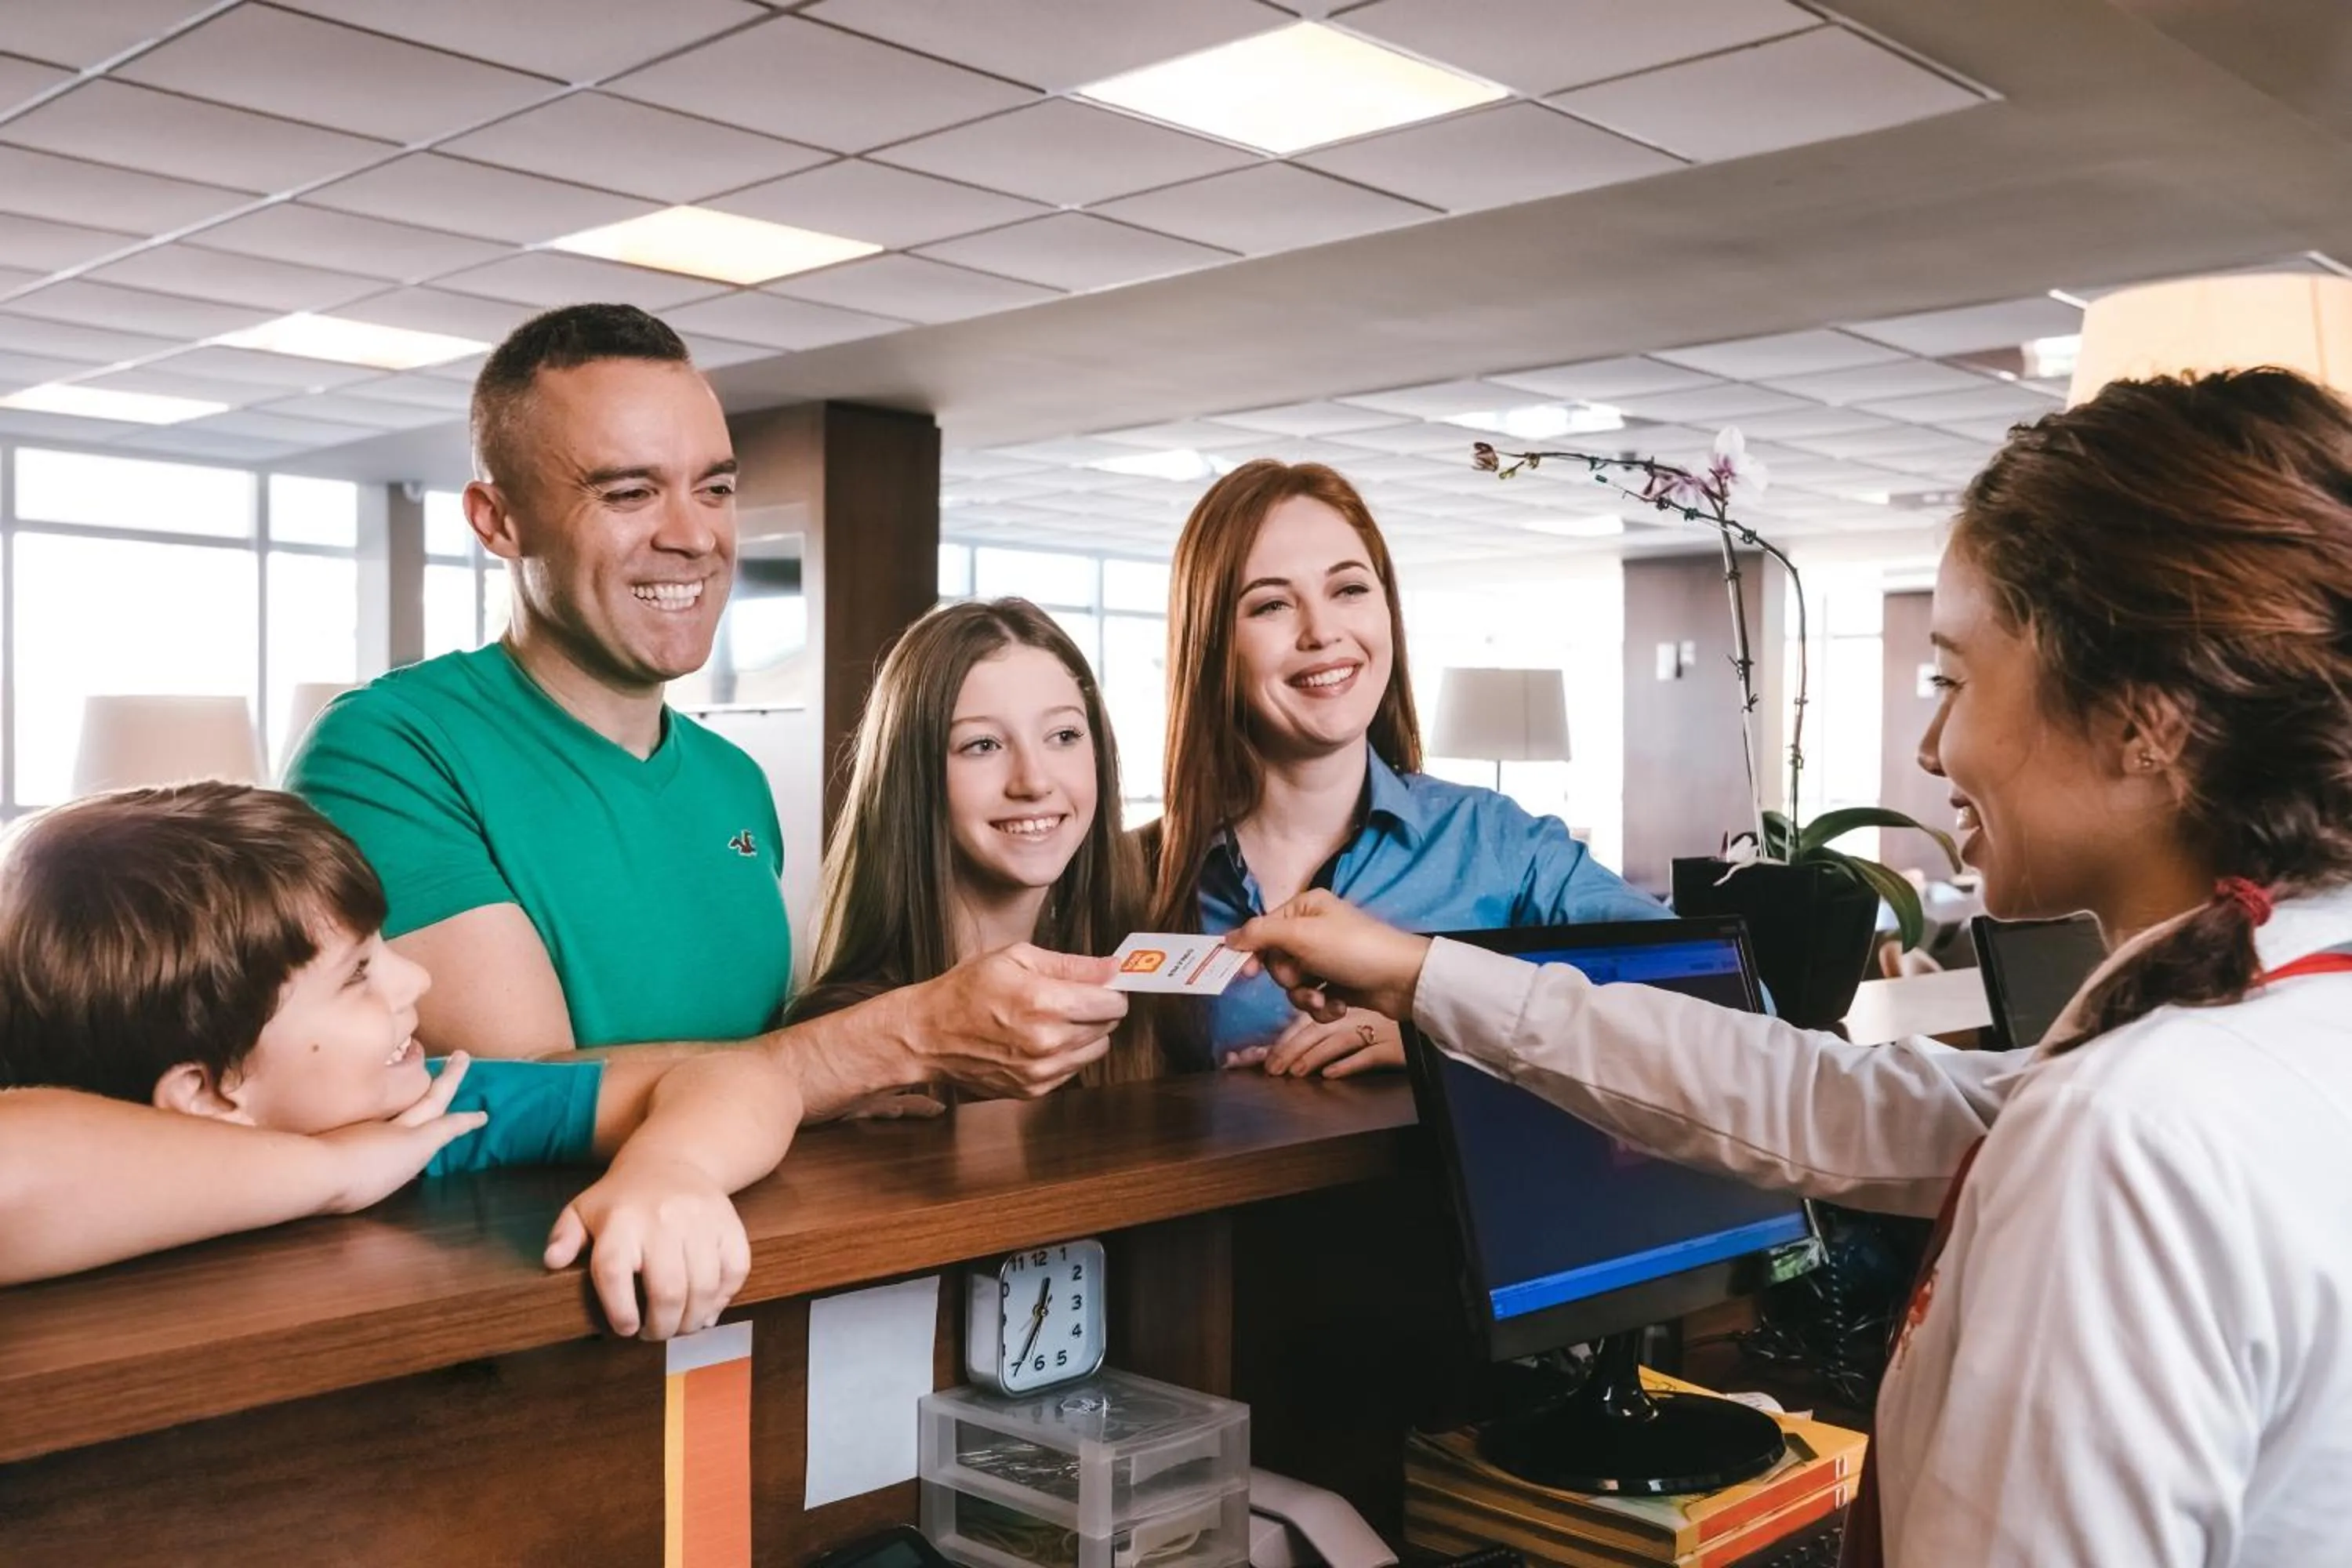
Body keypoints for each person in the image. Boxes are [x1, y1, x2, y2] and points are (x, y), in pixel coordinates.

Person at [1225, 369, 2352, 1565]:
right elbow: (1841, 1101)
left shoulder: (2132, 1135)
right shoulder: (2267, 1035)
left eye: (1953, 682)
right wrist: (1421, 977)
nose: (1932, 745)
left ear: (2144, 721)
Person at [286, 304, 1123, 1113]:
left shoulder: (733, 781)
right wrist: (884, 1043)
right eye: (628, 493)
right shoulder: (387, 748)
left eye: (714, 487)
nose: (693, 535)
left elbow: (764, 1082)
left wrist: (842, 1093)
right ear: (498, 519)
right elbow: (525, 1093)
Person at [0, 783, 806, 1339]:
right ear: (210, 1092)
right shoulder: (370, 1134)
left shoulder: (422, 1109)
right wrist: (333, 1169)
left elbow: (746, 1078)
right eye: (356, 973)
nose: (415, 978)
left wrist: (674, 1166)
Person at [1149, 459, 1667, 1076]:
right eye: (1271, 606)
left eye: (1349, 590)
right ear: (1210, 644)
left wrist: (1440, 1020)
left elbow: (1724, 1005)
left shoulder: (1496, 844)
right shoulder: (1131, 878)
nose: (1323, 631)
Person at [787, 599, 1159, 1085]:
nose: (1034, 781)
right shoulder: (844, 1042)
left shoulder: (1146, 998)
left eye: (1064, 735)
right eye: (983, 745)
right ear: (913, 779)